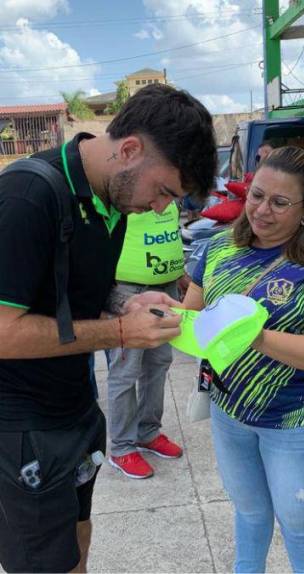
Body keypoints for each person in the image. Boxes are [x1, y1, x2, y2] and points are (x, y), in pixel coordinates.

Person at [0, 83, 216, 574]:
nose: (162, 209)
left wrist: (128, 302)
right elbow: (3, 331)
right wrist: (120, 335)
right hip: (23, 430)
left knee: (77, 537)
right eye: (164, 192)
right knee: (41, 563)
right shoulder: (28, 196)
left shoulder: (110, 203)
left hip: (76, 409)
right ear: (131, 149)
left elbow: (78, 297)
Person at [182, 146, 304, 572]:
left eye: (279, 202)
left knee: (300, 526)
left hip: (295, 421)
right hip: (228, 411)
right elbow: (194, 315)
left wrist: (254, 336)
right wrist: (165, 316)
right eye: (256, 195)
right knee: (249, 514)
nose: (261, 210)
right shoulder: (217, 248)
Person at [105, 200, 187, 480]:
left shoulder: (170, 188)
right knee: (125, 372)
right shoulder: (126, 190)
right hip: (129, 290)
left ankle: (147, 432)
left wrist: (180, 275)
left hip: (166, 287)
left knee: (159, 364)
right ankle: (122, 447)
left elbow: (169, 234)